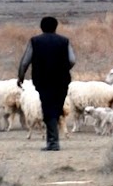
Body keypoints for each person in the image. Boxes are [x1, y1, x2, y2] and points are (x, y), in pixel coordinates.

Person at [17, 15, 75, 151]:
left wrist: (20, 77)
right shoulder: (64, 41)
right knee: (55, 109)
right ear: (56, 27)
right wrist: (63, 69)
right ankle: (53, 141)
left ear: (41, 27)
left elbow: (25, 61)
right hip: (61, 81)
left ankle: (53, 143)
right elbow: (72, 60)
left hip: (43, 81)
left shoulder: (35, 41)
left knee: (48, 109)